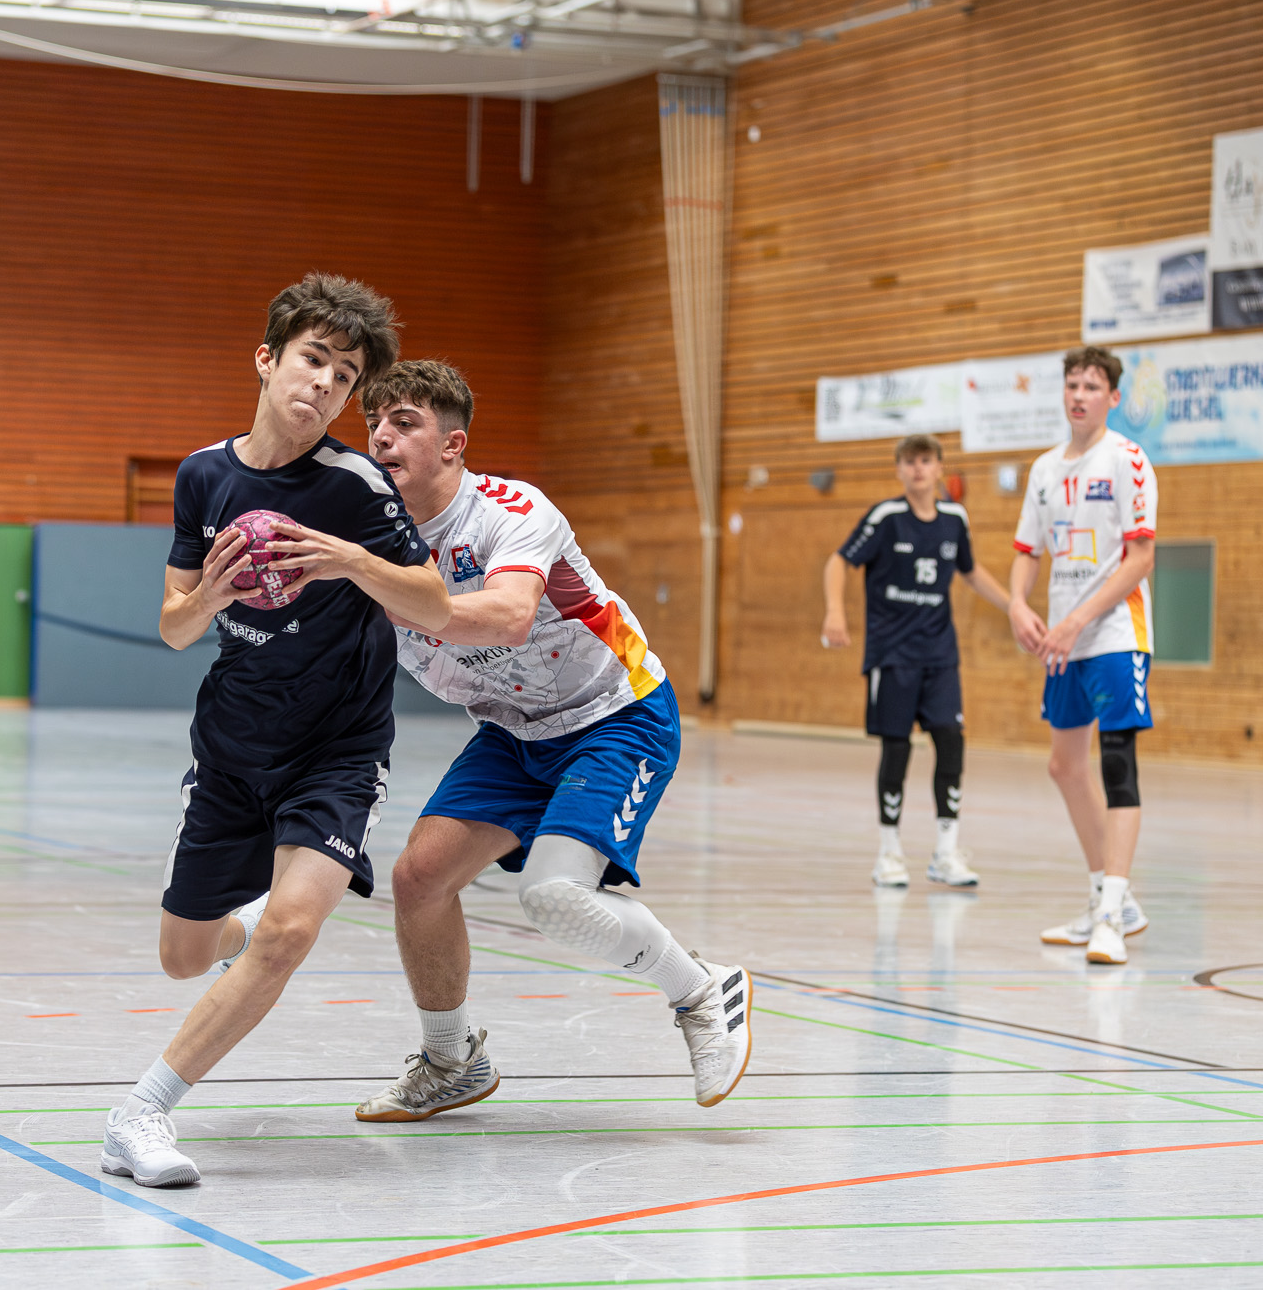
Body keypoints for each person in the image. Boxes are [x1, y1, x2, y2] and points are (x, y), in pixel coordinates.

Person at [99, 275, 450, 1189]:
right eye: (311, 359)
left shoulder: (357, 487)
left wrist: (348, 558)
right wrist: (209, 594)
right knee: (183, 953)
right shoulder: (203, 475)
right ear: (266, 358)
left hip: (336, 750)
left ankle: (140, 1111)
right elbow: (175, 625)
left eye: (344, 375)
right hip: (231, 746)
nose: (324, 384)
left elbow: (436, 602)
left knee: (291, 931)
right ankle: (248, 921)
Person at [354, 360, 751, 1126]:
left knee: (555, 895)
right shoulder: (377, 539)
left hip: (614, 710)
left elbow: (504, 615)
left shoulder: (510, 511)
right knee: (419, 880)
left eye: (403, 420)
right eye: (375, 421)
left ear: (453, 444)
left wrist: (369, 579)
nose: (381, 434)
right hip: (513, 728)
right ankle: (452, 1059)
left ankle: (703, 990)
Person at [1008, 345, 1158, 965]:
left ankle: (1111, 917)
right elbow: (1026, 550)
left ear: (1113, 398)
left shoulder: (1127, 459)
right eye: (1072, 384)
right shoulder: (1044, 470)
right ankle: (1109, 898)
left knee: (1117, 762)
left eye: (1092, 386)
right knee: (1064, 766)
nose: (1079, 394)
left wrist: (1074, 621)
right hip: (1062, 639)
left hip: (1116, 633)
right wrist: (1019, 602)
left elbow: (1141, 558)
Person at [821, 434, 1009, 889]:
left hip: (940, 655)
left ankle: (946, 851)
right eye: (909, 462)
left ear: (940, 468)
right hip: (893, 654)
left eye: (926, 461)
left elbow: (970, 570)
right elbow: (838, 560)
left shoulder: (955, 519)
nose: (918, 469)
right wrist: (835, 610)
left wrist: (1014, 608)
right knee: (897, 749)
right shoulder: (886, 518)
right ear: (900, 470)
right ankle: (889, 853)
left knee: (951, 741)